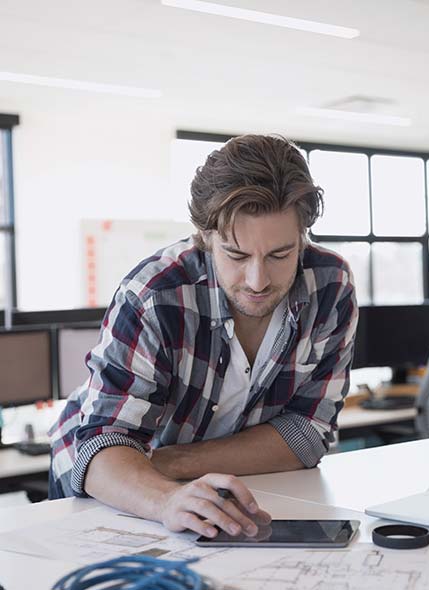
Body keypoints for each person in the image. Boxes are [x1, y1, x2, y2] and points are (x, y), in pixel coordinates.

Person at [49, 134, 358, 540]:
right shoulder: (154, 295)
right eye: (236, 255)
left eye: (280, 255)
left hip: (197, 478)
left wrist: (168, 463)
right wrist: (163, 497)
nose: (258, 280)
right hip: (119, 489)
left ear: (303, 236)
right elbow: (102, 445)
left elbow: (306, 434)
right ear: (204, 236)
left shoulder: (330, 285)